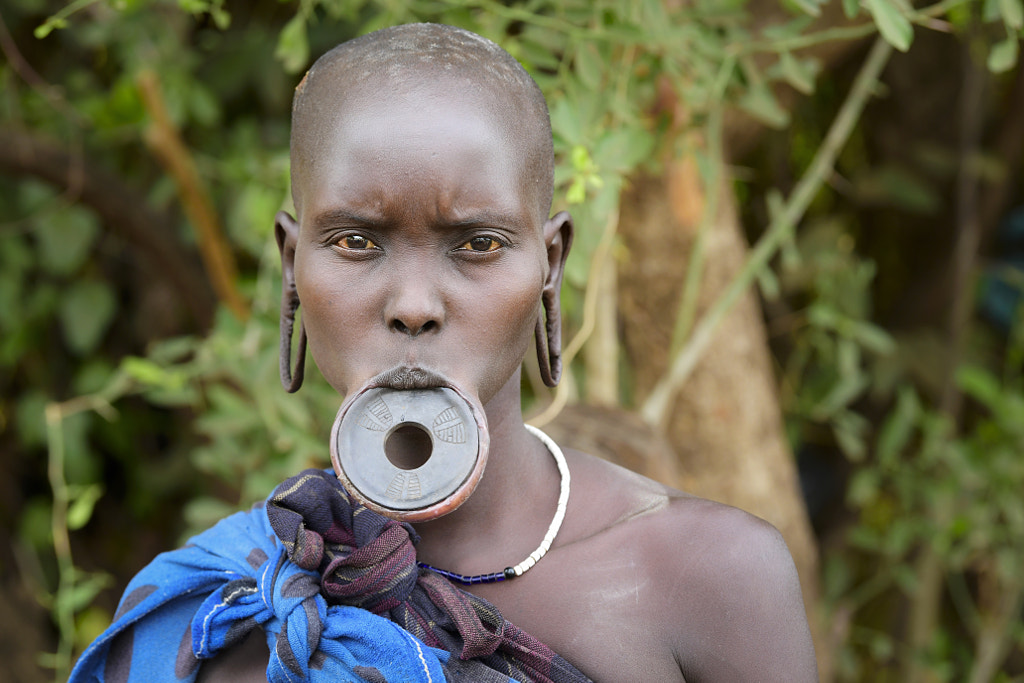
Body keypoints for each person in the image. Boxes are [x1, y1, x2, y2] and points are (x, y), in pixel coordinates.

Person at [71, 23, 818, 682]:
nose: (415, 305)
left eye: (478, 244)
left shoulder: (711, 577)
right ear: (292, 262)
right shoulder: (219, 609)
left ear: (550, 262)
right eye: (357, 241)